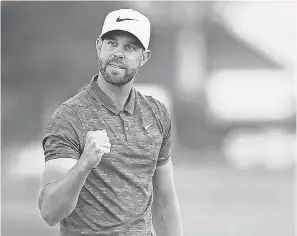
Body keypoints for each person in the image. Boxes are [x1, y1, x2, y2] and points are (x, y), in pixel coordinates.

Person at [38, 8, 183, 236]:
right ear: (99, 46)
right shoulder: (69, 117)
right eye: (112, 43)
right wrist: (84, 164)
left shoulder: (156, 113)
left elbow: (164, 201)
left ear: (143, 58)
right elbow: (50, 212)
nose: (118, 53)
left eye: (130, 47)